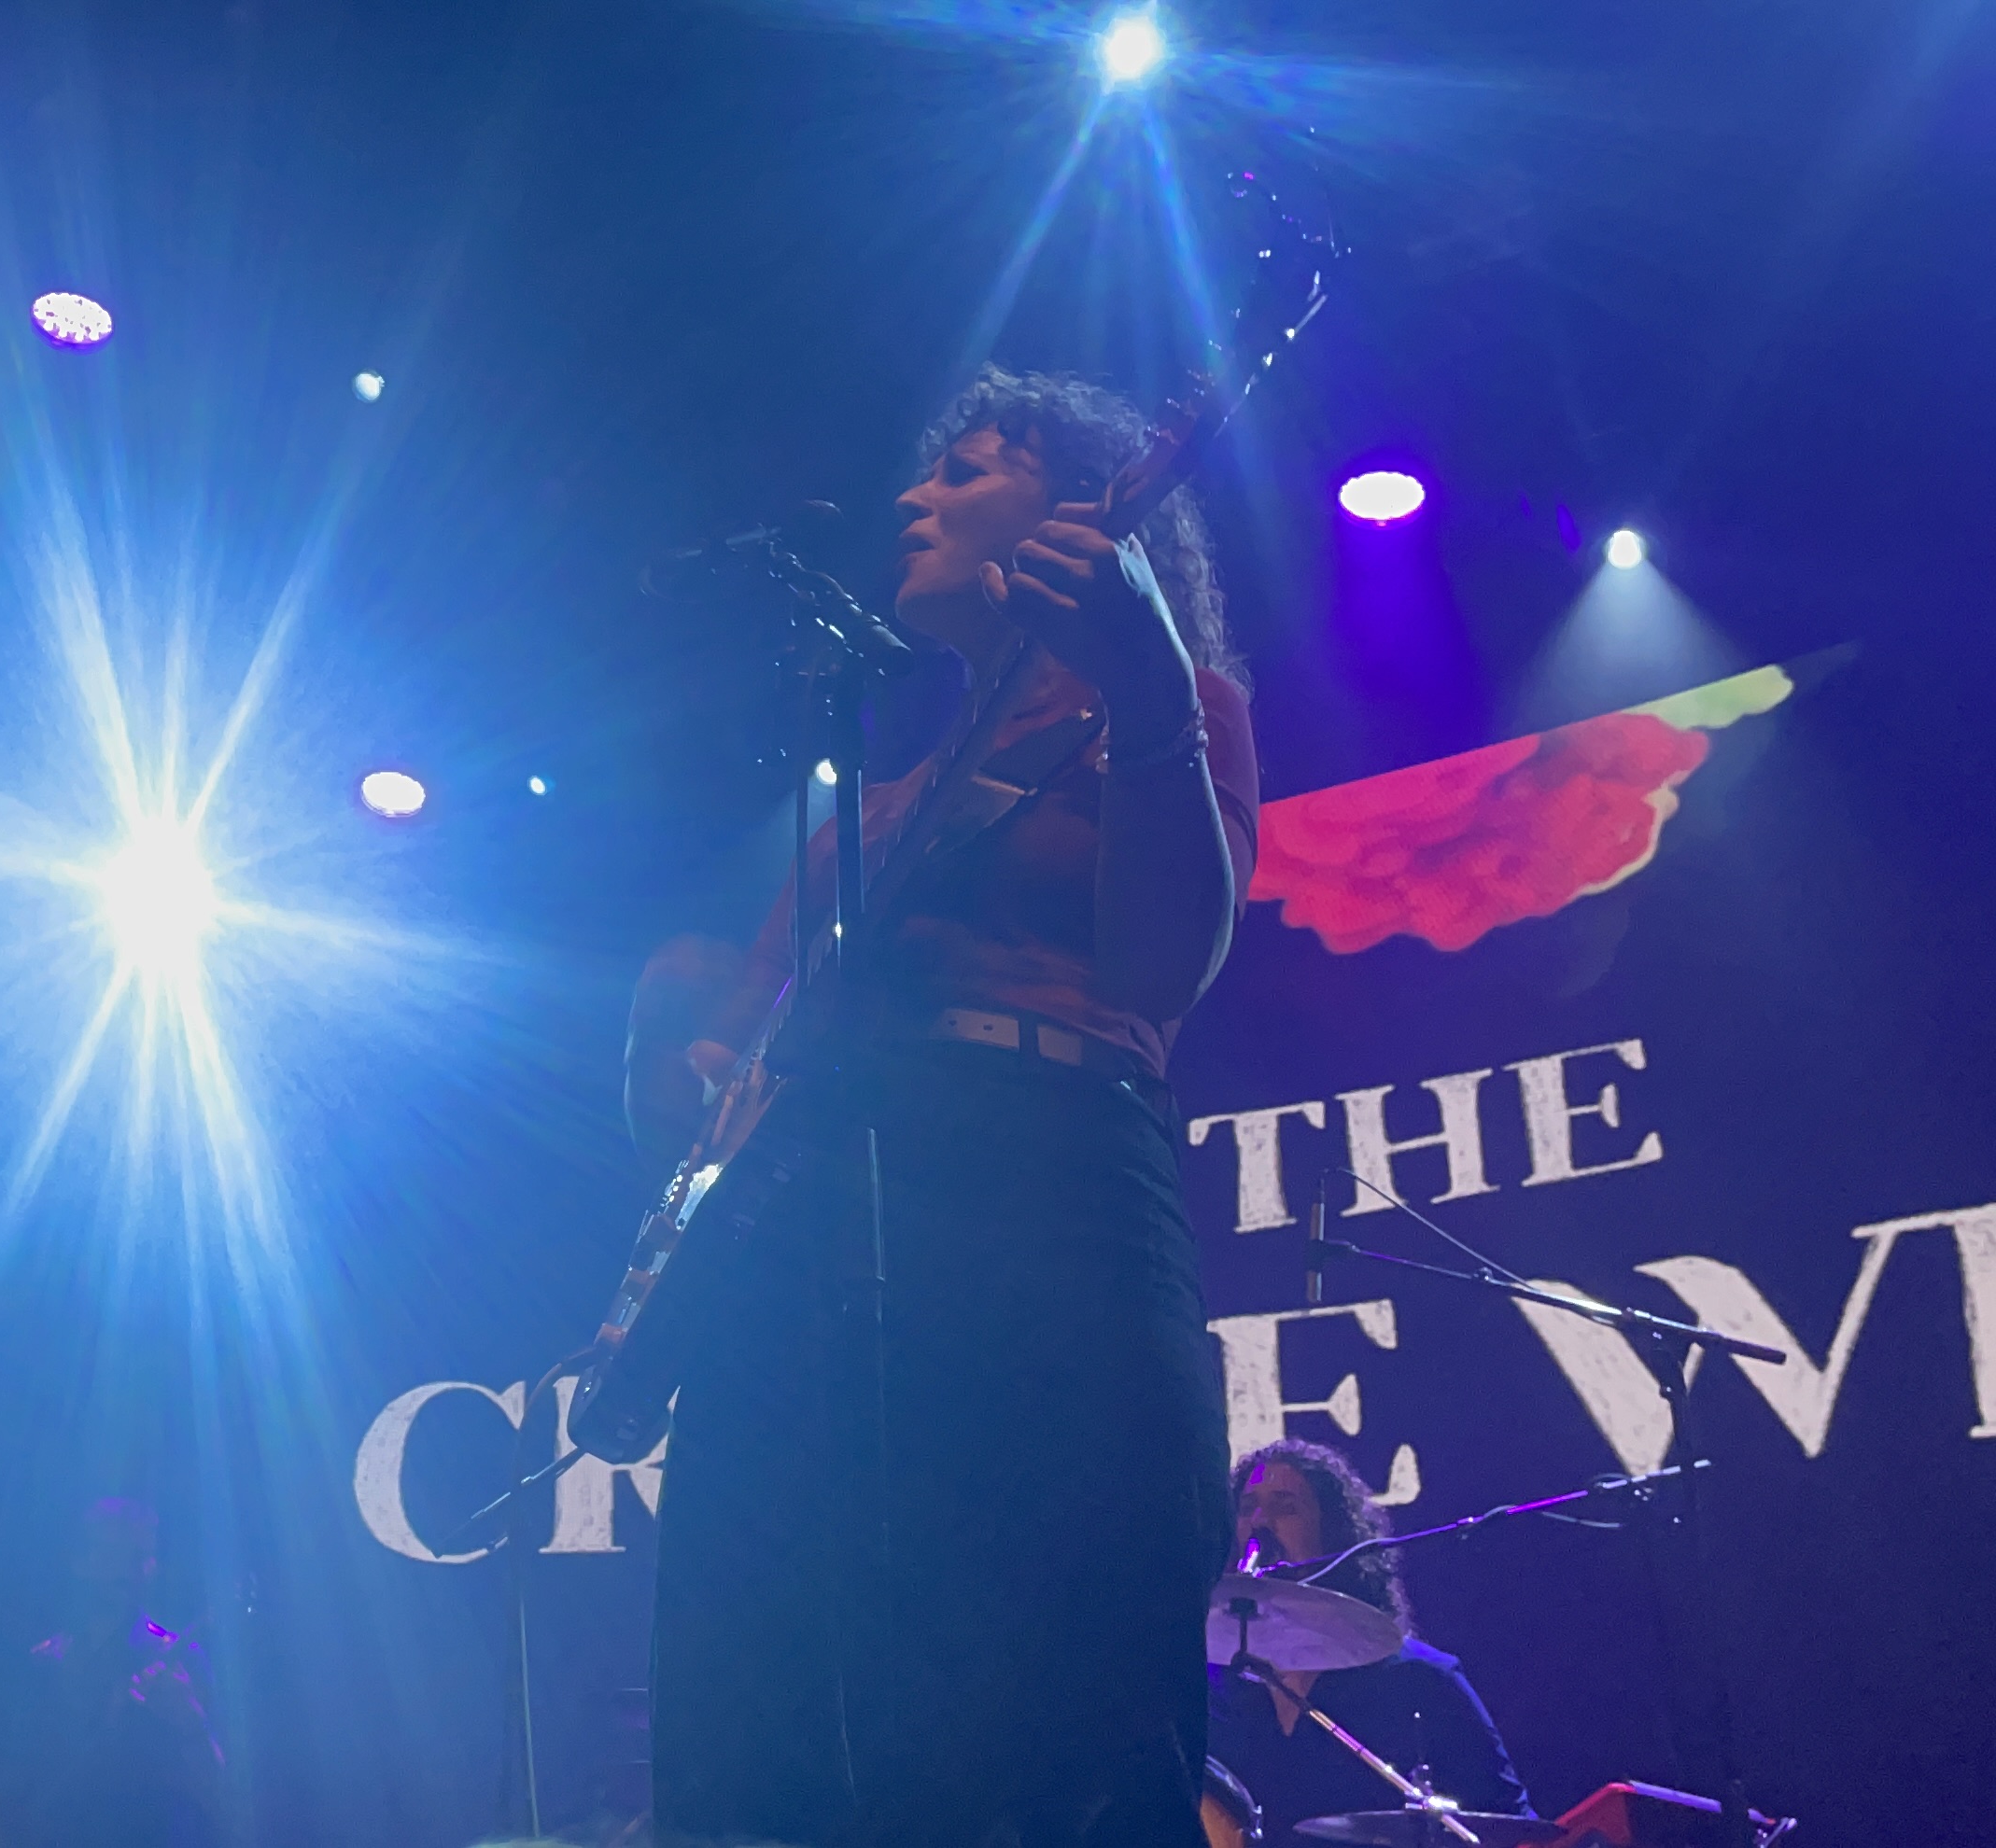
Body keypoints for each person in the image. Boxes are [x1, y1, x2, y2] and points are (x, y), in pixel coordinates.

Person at [627, 365, 1258, 1847]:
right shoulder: (872, 809)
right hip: (826, 1237)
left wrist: (1150, 688)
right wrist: (669, 1050)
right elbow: (710, 1102)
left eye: (969, 470)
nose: (917, 494)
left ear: (1085, 515)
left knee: (1069, 1690)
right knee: (793, 1694)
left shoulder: (1170, 705)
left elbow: (1166, 964)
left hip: (1045, 1191)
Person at [1205, 1441, 1530, 1846]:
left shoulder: (1417, 1677)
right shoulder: (1209, 1682)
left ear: (1332, 1528)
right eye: (1247, 1505)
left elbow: (1508, 1822)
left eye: (1284, 1506)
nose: (1259, 1521)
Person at [0, 1497, 230, 1848]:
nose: (130, 1568)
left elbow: (227, 1800)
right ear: (79, 1562)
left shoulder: (179, 1661)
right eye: (113, 1552)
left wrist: (190, 1720)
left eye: (140, 1555)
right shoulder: (43, 1663)